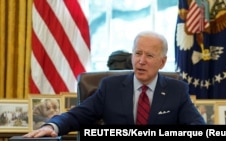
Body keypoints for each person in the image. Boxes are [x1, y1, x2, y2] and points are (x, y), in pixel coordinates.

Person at [23, 31, 205, 138]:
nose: (141, 61)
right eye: (138, 53)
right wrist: (51, 126)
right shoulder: (110, 87)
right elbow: (77, 115)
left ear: (162, 62)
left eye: (149, 56)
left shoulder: (176, 90)